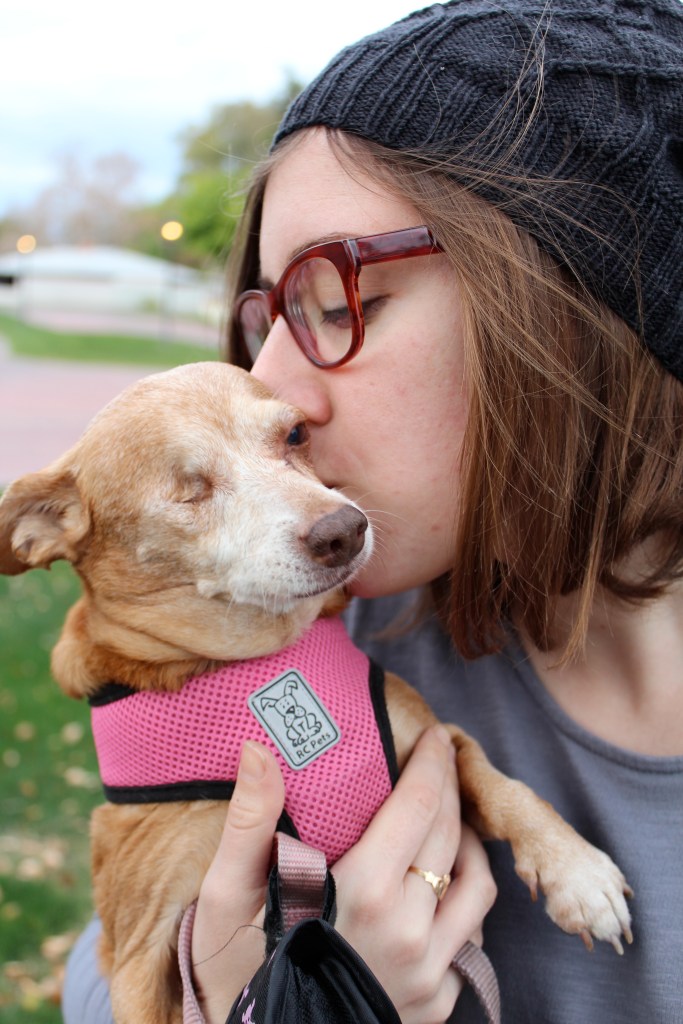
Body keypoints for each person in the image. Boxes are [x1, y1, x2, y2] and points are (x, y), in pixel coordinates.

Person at [63, 0, 682, 1021]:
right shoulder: (307, 635)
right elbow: (102, 964)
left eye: (339, 300)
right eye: (262, 318)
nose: (269, 388)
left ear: (582, 306)